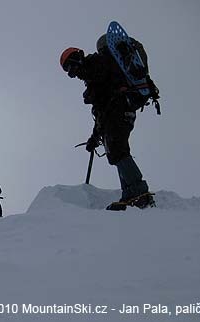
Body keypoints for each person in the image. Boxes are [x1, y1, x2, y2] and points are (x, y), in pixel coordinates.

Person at [60, 36, 157, 210]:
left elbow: (104, 94)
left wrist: (91, 92)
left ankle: (139, 192)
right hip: (118, 111)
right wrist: (94, 137)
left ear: (78, 57)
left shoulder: (96, 63)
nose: (72, 73)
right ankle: (129, 194)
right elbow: (100, 112)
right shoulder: (91, 73)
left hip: (120, 108)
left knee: (117, 149)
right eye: (68, 72)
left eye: (71, 67)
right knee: (116, 150)